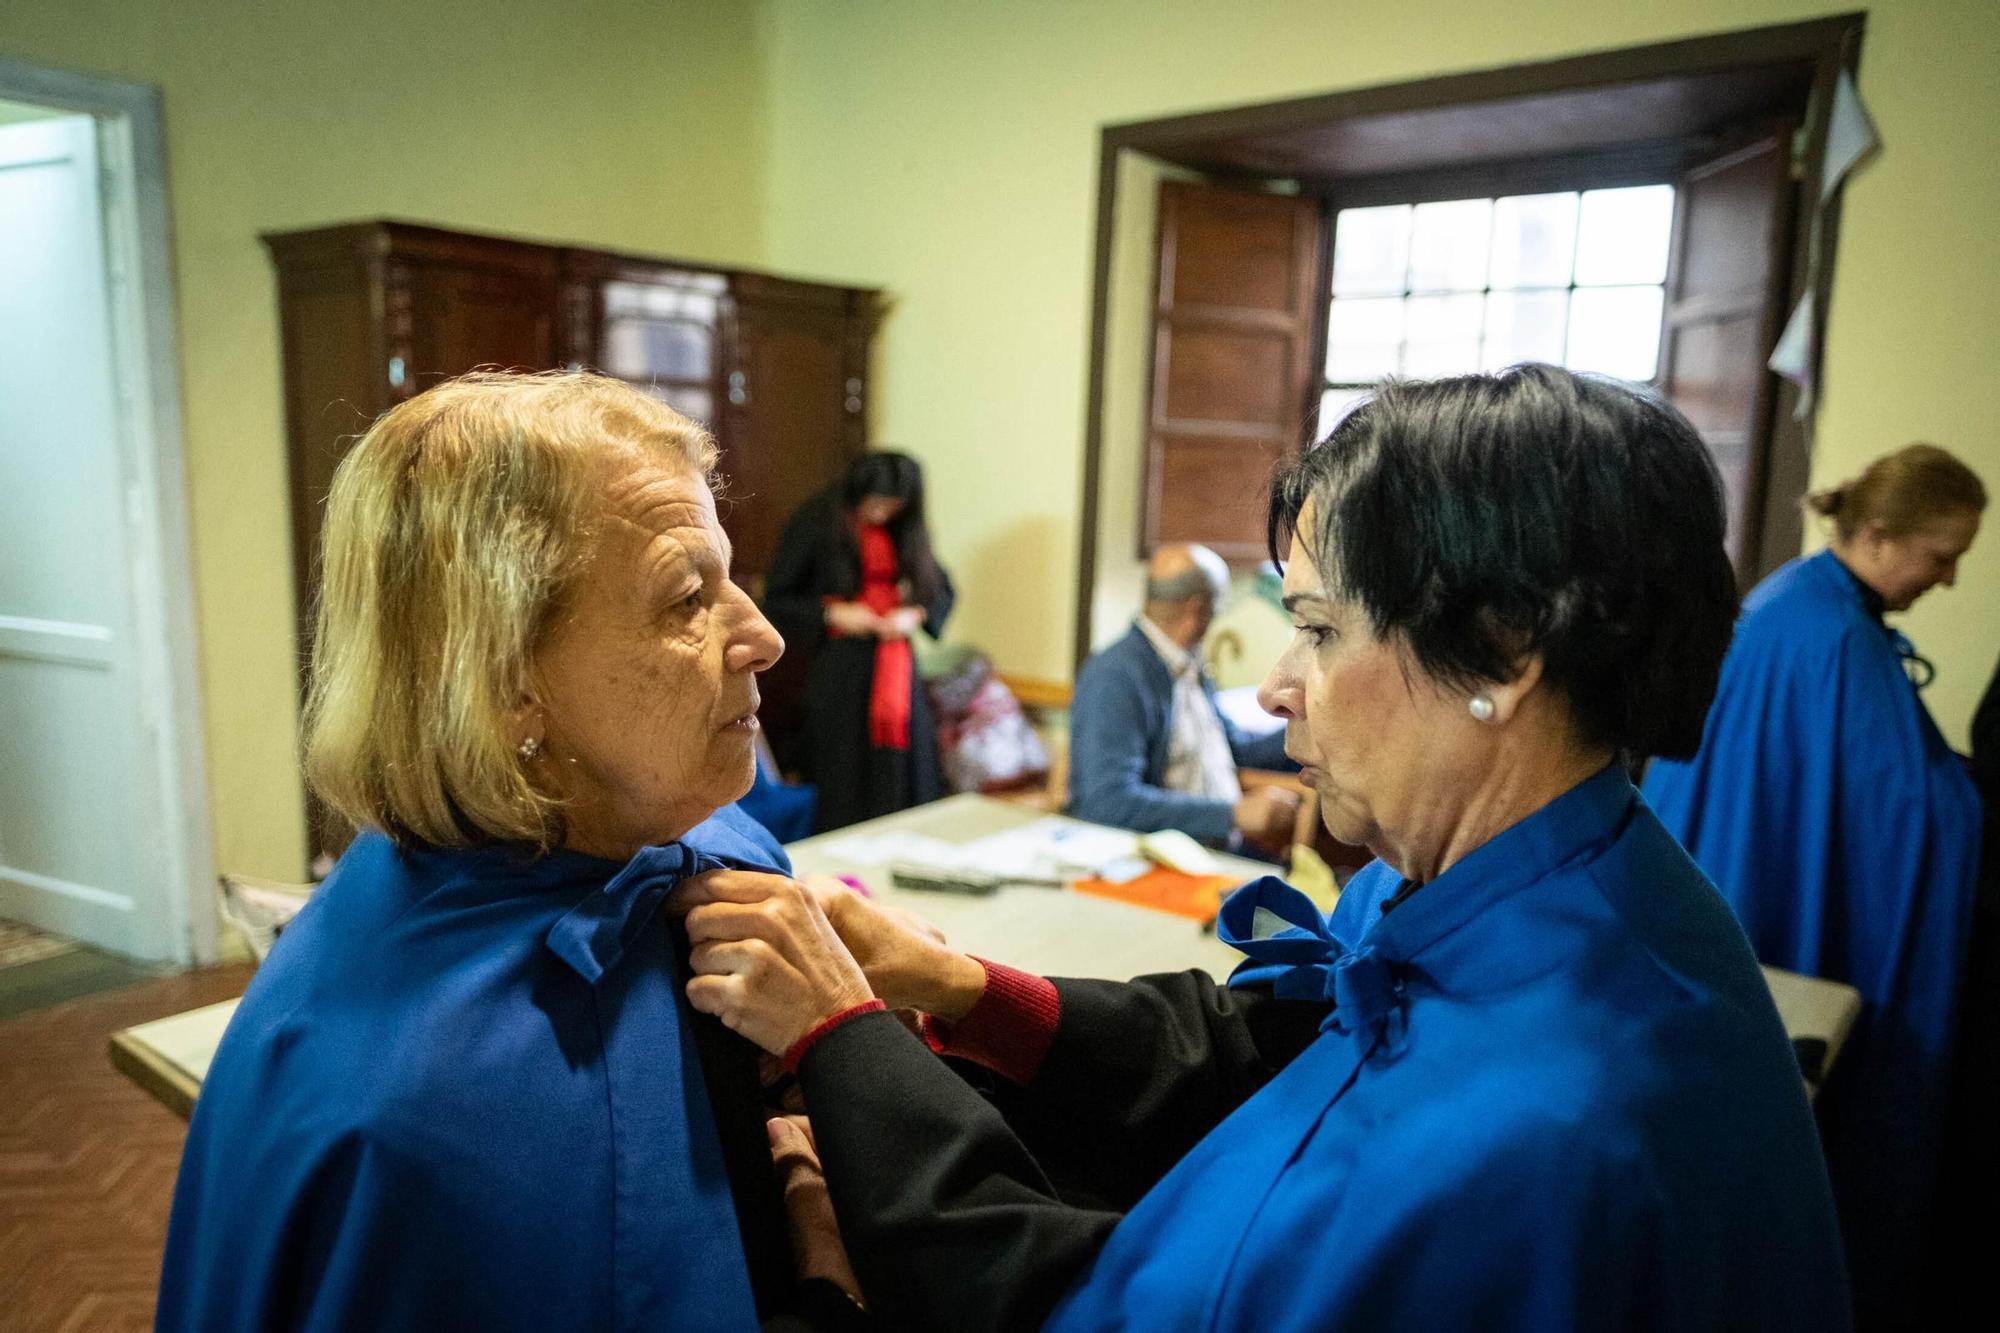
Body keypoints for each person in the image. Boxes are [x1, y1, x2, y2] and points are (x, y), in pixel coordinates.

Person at [670, 366, 1851, 1330]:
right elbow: (1271, 1045)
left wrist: (844, 1043)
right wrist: (958, 985)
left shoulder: (1536, 1134)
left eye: (1318, 629)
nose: (1278, 686)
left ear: (1500, 654)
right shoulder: (1508, 884)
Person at [156, 373, 857, 1331]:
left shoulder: (692, 836)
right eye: (687, 597)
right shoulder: (413, 1119)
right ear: (507, 682)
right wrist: (832, 1281)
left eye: (732, 577)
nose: (764, 636)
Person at [1642, 443, 1986, 1328]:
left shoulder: (1799, 601)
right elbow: (1911, 814)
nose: (1946, 579)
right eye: (1941, 556)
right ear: (1880, 533)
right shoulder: (1831, 634)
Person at [762, 451, 955, 832]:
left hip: (897, 666)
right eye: (875, 504)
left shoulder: (905, 530)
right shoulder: (816, 519)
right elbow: (777, 599)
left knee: (905, 765)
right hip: (840, 668)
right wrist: (834, 614)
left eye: (891, 506)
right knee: (842, 769)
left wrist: (913, 615)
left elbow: (941, 591)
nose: (881, 514)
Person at [1068, 543, 1299, 852]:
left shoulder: (1187, 663)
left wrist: (1302, 726)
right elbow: (1107, 803)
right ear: (1197, 608)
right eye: (1220, 603)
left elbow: (1236, 749)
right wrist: (1233, 814)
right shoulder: (1114, 676)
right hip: (1163, 857)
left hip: (1216, 846)